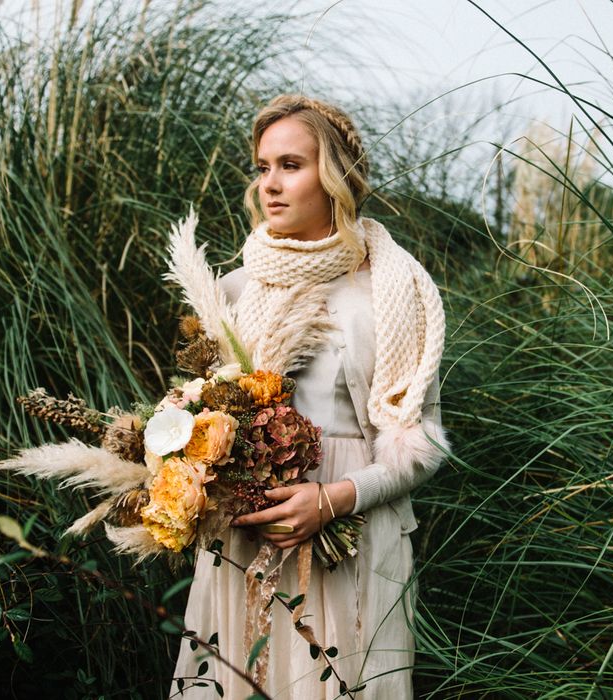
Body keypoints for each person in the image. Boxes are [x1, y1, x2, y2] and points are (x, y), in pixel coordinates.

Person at [171, 94, 448, 699]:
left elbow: (422, 444)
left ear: (334, 177)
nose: (270, 184)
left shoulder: (393, 289)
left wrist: (332, 500)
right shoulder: (237, 287)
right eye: (262, 167)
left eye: (290, 165)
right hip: (245, 537)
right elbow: (206, 411)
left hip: (349, 537)